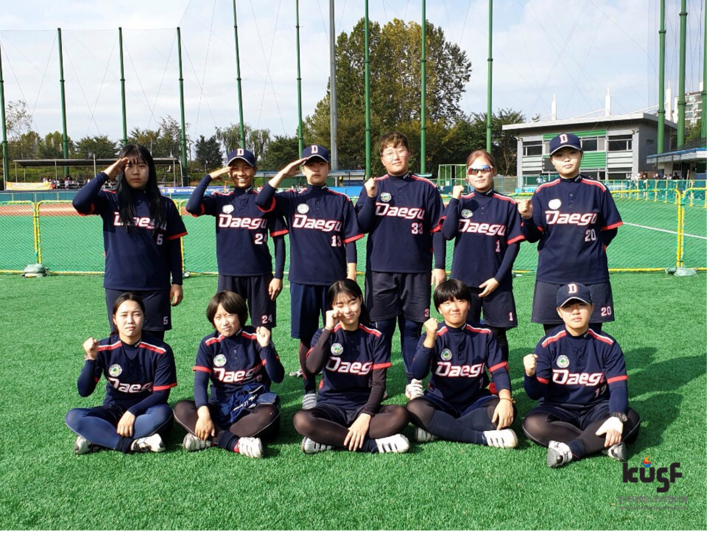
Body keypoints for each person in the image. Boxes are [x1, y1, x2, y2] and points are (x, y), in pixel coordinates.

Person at [256, 145, 363, 410]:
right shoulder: (292, 198)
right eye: (310, 164)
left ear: (328, 168)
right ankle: (309, 389)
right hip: (302, 280)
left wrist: (351, 275)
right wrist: (284, 172)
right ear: (303, 169)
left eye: (321, 163)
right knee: (306, 336)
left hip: (334, 283)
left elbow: (350, 240)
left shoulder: (340, 200)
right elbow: (262, 200)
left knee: (340, 332)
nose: (316, 168)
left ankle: (339, 384)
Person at [355, 131, 446, 400]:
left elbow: (437, 230)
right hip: (380, 271)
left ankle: (413, 380)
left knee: (411, 329)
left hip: (417, 271)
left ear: (409, 154)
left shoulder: (426, 188)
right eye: (389, 152)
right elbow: (362, 225)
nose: (395, 156)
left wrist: (439, 266)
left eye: (400, 150)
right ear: (382, 159)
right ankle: (377, 384)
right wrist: (371, 196)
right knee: (380, 329)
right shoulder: (373, 186)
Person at [72, 144, 187, 341]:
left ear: (150, 169)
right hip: (119, 285)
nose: (136, 172)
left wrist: (177, 282)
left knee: (154, 346)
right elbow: (79, 202)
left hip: (155, 287)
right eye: (129, 166)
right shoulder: (110, 200)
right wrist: (106, 174)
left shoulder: (165, 205)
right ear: (120, 170)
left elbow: (173, 248)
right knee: (121, 344)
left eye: (142, 166)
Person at [522, 283, 641, 468]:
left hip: (596, 408)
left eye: (581, 305)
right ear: (559, 312)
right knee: (532, 424)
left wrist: (616, 416)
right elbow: (535, 394)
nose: (575, 311)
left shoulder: (607, 344)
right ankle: (601, 443)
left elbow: (618, 388)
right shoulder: (547, 344)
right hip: (558, 408)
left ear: (591, 308)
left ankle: (570, 450)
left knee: (630, 418)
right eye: (568, 307)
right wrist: (529, 375)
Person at [517, 133, 622, 335]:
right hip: (552, 274)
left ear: (581, 155)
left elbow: (610, 229)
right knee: (553, 337)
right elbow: (532, 236)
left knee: (592, 335)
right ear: (552, 160)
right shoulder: (543, 191)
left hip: (592, 274)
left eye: (572, 153)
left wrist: (594, 250)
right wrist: (527, 218)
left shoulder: (597, 189)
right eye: (560, 155)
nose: (566, 159)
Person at [293, 280, 410, 454]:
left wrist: (365, 416)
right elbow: (312, 368)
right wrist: (328, 329)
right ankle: (372, 445)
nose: (347, 310)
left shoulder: (375, 337)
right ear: (332, 307)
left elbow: (379, 384)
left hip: (362, 406)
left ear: (360, 300)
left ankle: (329, 438)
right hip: (330, 408)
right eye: (340, 305)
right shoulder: (324, 334)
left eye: (352, 302)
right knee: (302, 419)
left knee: (400, 414)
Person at [405, 280, 518, 448]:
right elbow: (418, 373)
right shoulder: (432, 335)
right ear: (439, 309)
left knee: (508, 410)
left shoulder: (484, 334)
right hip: (440, 400)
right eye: (447, 303)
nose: (455, 308)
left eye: (460, 301)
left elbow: (499, 371)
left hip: (475, 401)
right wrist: (430, 339)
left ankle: (438, 428)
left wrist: (506, 399)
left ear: (469, 304)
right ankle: (481, 438)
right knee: (414, 409)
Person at [173, 291, 285, 458]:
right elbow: (200, 383)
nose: (224, 322)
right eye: (218, 317)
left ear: (240, 315)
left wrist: (266, 347)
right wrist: (204, 414)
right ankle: (235, 443)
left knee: (269, 414)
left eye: (229, 315)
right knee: (181, 409)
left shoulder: (256, 337)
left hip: (251, 406)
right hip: (220, 406)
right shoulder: (208, 344)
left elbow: (277, 376)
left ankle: (209, 437)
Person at [186, 148, 287, 328]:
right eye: (235, 168)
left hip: (260, 275)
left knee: (262, 330)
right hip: (229, 275)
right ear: (228, 171)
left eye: (246, 167)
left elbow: (279, 241)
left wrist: (278, 276)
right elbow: (192, 207)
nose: (241, 173)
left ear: (255, 170)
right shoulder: (220, 199)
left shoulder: (265, 201)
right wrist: (208, 178)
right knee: (228, 328)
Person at [65, 294, 177, 455]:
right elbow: (84, 390)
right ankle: (132, 444)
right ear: (114, 319)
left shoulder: (161, 350)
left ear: (144, 317)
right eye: (124, 315)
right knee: (73, 416)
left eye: (136, 314)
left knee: (163, 414)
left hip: (146, 412)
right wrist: (91, 359)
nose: (130, 320)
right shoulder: (103, 348)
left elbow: (161, 395)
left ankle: (99, 438)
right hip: (113, 411)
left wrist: (132, 412)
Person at [441, 150, 524, 364]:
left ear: (493, 171)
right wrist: (455, 199)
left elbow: (513, 246)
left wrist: (498, 279)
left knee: (497, 335)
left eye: (484, 169)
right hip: (463, 283)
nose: (479, 174)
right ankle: (467, 377)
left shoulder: (507, 204)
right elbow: (447, 233)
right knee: (463, 333)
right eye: (473, 170)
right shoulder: (461, 202)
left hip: (496, 282)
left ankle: (499, 379)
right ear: (467, 175)